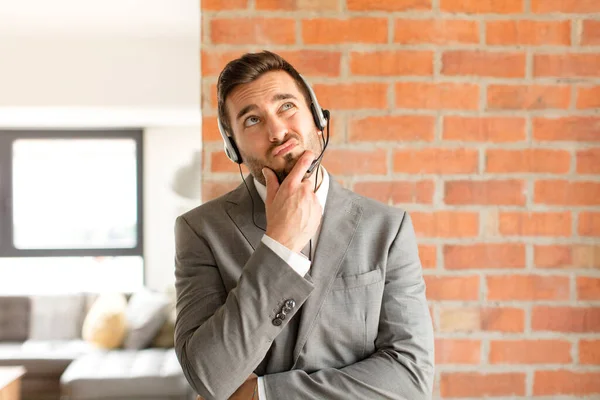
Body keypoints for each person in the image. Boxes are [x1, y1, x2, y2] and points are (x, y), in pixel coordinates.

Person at [174, 50, 434, 400]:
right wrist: (279, 247)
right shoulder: (201, 231)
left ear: (316, 117)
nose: (278, 131)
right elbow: (208, 376)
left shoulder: (387, 228)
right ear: (233, 147)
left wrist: (263, 394)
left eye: (286, 107)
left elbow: (410, 377)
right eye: (252, 120)